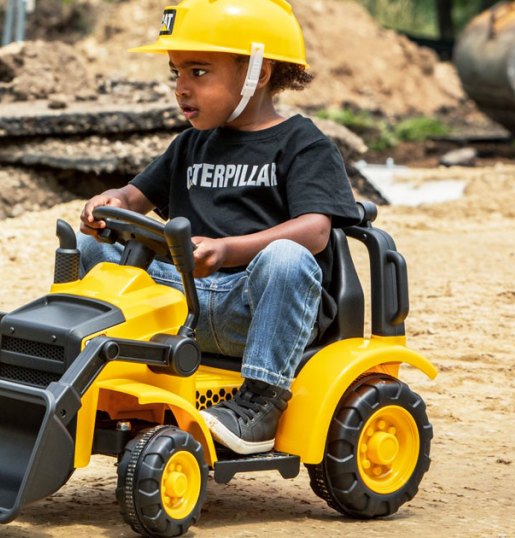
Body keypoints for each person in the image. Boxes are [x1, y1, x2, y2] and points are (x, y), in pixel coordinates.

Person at [77, 0, 359, 455]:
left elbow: (315, 231)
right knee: (90, 250)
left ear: (258, 73)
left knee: (286, 258)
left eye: (198, 72)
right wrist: (111, 202)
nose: (181, 89)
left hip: (255, 310)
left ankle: (260, 401)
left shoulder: (303, 145)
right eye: (176, 73)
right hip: (180, 302)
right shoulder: (190, 145)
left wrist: (229, 250)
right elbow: (135, 196)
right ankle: (87, 366)